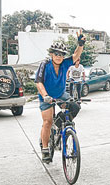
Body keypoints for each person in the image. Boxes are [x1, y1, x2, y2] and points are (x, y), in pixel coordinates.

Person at [35, 32, 86, 163]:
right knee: (47, 122)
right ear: (52, 54)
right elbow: (39, 82)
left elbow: (76, 55)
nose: (59, 56)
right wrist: (45, 96)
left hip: (61, 94)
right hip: (46, 96)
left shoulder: (64, 64)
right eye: (56, 54)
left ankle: (59, 125)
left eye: (61, 54)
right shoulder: (45, 65)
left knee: (75, 107)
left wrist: (80, 44)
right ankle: (45, 148)